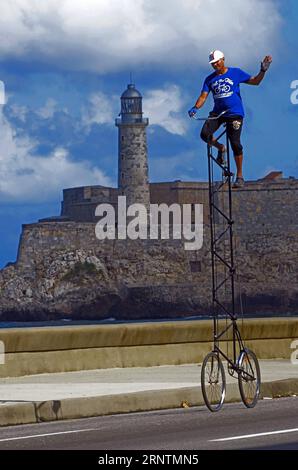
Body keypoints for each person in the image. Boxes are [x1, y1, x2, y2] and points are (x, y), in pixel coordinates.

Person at [188, 50, 272, 187]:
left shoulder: (235, 73)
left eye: (217, 62)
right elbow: (203, 96)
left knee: (235, 143)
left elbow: (255, 81)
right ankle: (221, 148)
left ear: (223, 60)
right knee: (204, 134)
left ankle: (239, 176)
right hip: (218, 113)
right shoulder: (209, 79)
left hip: (234, 113)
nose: (215, 65)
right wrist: (195, 107)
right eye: (213, 63)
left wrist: (263, 71)